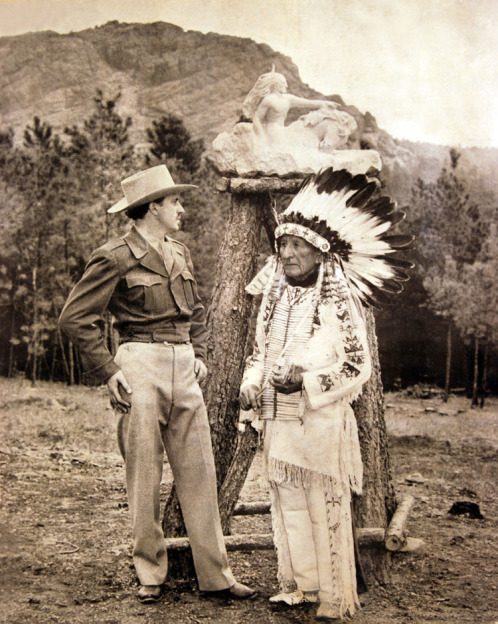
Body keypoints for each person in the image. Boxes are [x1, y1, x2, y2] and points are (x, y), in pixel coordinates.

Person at [59, 164, 254, 604]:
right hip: (138, 365)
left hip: (183, 366)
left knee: (200, 473)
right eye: (174, 202)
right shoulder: (114, 256)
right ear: (151, 209)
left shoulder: (179, 252)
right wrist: (110, 371)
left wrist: (199, 355)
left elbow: (197, 311)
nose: (181, 209)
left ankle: (216, 576)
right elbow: (75, 319)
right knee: (144, 475)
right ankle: (150, 573)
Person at [239, 167, 412, 621]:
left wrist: (307, 383)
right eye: (283, 245)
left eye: (298, 245)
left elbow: (358, 367)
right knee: (289, 505)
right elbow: (259, 355)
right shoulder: (272, 302)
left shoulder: (338, 302)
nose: (289, 253)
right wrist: (250, 386)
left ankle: (333, 595)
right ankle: (299, 586)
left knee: (324, 507)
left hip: (320, 423)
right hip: (278, 422)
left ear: (320, 253)